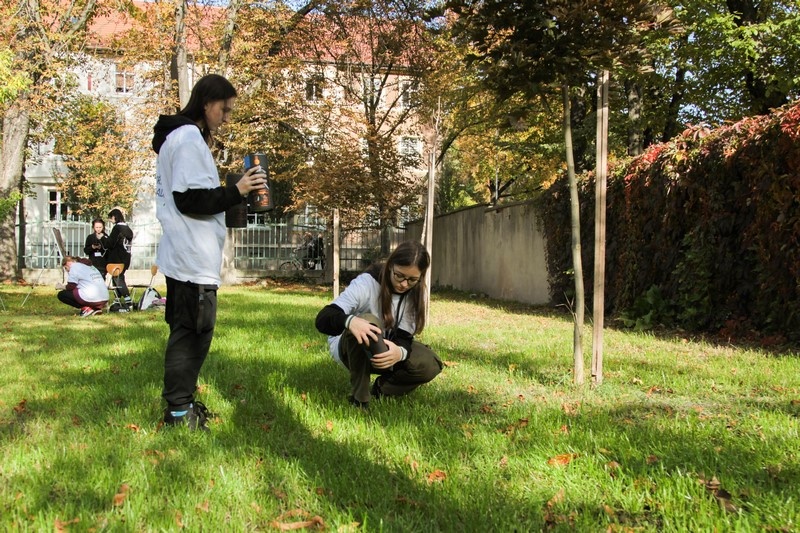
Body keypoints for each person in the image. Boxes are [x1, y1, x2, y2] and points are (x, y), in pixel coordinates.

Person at [152, 73, 267, 431]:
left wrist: (230, 201)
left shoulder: (182, 138)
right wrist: (237, 190)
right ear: (206, 103)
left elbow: (193, 196)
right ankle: (178, 412)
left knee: (190, 332)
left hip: (187, 253)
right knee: (192, 335)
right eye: (224, 109)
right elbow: (188, 199)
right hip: (191, 256)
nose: (226, 118)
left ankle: (182, 404)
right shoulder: (187, 138)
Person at [315, 241, 443, 408]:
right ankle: (360, 399)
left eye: (412, 279)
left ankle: (382, 390)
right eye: (399, 276)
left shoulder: (416, 293)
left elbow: (404, 338)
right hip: (351, 349)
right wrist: (351, 321)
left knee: (431, 363)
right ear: (390, 266)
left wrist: (400, 352)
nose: (404, 284)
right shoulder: (366, 283)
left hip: (385, 348)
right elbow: (323, 319)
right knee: (368, 322)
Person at [106, 208, 134, 309]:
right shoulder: (128, 229)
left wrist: (104, 240)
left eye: (111, 218)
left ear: (114, 217)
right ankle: (117, 299)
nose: (110, 221)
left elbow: (110, 243)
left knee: (117, 278)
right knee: (118, 277)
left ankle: (128, 299)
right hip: (126, 257)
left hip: (117, 258)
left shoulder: (117, 228)